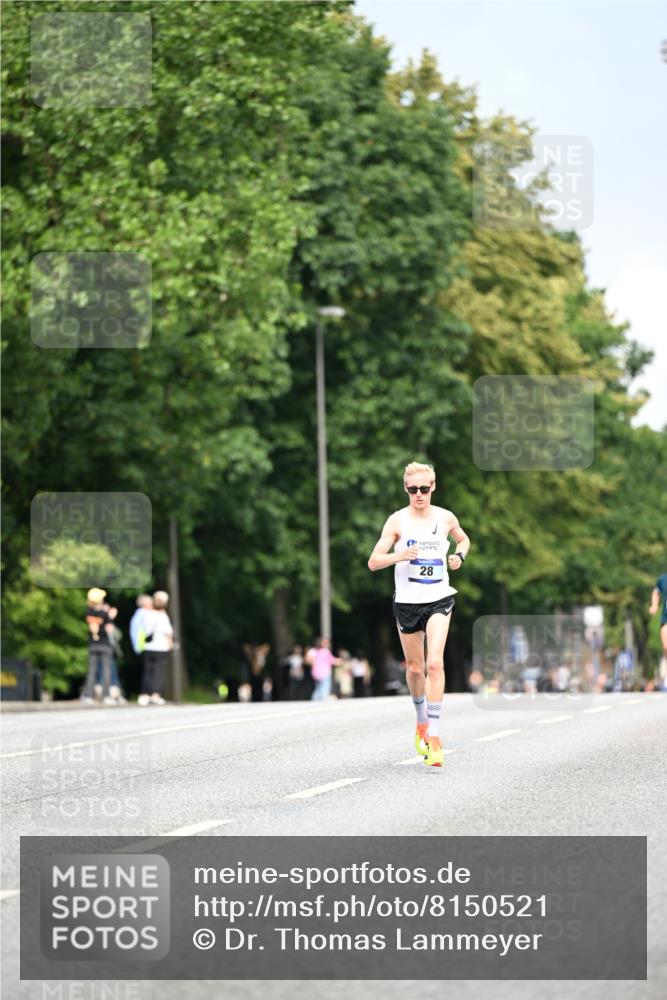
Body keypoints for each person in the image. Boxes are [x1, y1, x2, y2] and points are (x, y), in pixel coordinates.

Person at [367, 461, 470, 767]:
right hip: (408, 602)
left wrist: (459, 556)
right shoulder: (397, 522)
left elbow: (463, 538)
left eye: (424, 488)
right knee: (415, 669)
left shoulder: (445, 517)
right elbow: (374, 561)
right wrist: (401, 555)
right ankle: (421, 720)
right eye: (413, 489)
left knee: (435, 664)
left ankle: (435, 737)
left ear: (433, 487)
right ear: (406, 490)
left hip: (439, 597)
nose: (419, 494)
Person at [138, 590, 173, 706]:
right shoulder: (163, 616)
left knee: (147, 671)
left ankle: (144, 695)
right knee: (159, 672)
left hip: (148, 646)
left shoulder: (146, 614)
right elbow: (168, 633)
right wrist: (170, 645)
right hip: (161, 647)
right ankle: (155, 694)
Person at [82, 587, 114, 703]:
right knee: (106, 670)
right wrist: (111, 616)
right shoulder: (105, 614)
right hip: (105, 644)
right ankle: (106, 696)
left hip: (93, 644)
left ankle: (88, 696)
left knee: (92, 670)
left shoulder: (88, 612)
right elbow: (110, 630)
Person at [649, 572, 667, 690]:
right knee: (666, 646)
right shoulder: (663, 579)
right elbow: (656, 592)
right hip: (666, 618)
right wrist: (654, 605)